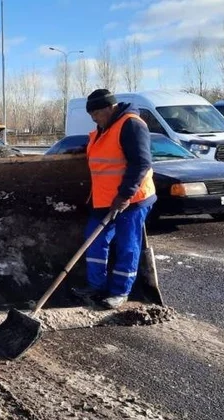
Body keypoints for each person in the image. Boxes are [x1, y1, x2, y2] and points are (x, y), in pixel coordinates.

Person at [71, 89, 156, 309]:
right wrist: (81, 150)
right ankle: (96, 285)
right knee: (95, 240)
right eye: (92, 116)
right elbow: (105, 152)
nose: (94, 119)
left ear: (110, 108)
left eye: (97, 114)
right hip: (104, 199)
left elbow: (140, 163)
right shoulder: (105, 127)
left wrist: (125, 195)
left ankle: (120, 292)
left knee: (128, 245)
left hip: (131, 200)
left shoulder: (131, 125)